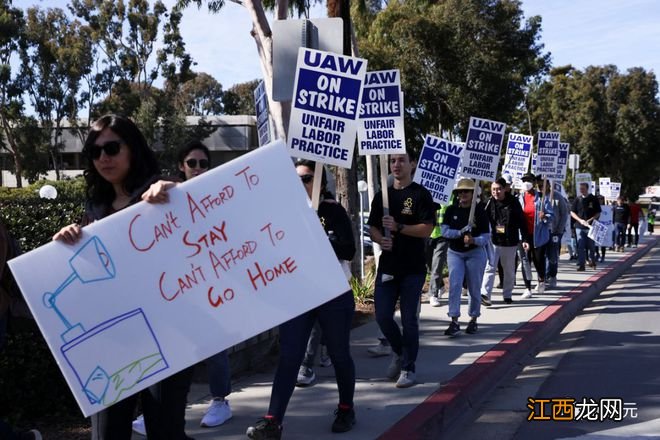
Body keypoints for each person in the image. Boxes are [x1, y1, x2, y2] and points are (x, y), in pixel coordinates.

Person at [52, 114, 194, 440]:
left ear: (133, 149)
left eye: (112, 148)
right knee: (107, 434)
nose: (104, 157)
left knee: (165, 432)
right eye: (95, 151)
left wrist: (180, 191)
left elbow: (202, 228)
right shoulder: (95, 206)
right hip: (111, 341)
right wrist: (67, 243)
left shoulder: (162, 193)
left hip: (168, 336)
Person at [246, 159, 357, 439]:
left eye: (307, 179)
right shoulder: (284, 212)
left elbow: (349, 250)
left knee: (339, 353)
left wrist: (322, 238)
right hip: (298, 294)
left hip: (332, 293)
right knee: (289, 356)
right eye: (296, 179)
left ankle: (346, 408)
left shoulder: (333, 211)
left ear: (318, 181)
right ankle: (273, 420)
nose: (302, 184)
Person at [132, 140, 233, 435]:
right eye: (192, 163)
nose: (198, 169)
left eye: (204, 163)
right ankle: (162, 411)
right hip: (175, 289)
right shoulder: (168, 194)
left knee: (215, 347)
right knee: (171, 350)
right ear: (181, 166)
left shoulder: (217, 193)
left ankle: (220, 401)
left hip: (212, 284)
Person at [367, 151, 434, 388]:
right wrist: (380, 239)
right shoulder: (382, 196)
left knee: (409, 320)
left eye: (401, 160)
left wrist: (399, 227)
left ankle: (408, 367)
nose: (396, 164)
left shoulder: (420, 194)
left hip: (413, 269)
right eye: (393, 160)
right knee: (383, 316)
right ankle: (399, 351)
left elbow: (426, 229)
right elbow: (372, 227)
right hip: (388, 267)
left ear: (412, 164)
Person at [442, 178, 489, 334]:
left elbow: (486, 236)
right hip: (455, 252)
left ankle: (474, 318)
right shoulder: (451, 210)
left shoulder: (480, 211)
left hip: (475, 253)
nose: (463, 194)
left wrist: (474, 240)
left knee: (474, 287)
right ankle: (454, 320)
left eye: (466, 191)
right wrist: (460, 232)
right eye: (460, 191)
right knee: (454, 285)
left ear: (473, 193)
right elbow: (445, 232)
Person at [480, 177, 527, 305]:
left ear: (505, 189)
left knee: (509, 270)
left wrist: (525, 238)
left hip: (510, 241)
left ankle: (507, 294)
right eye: (493, 190)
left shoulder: (513, 202)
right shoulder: (489, 203)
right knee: (489, 268)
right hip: (493, 241)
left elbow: (522, 221)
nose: (496, 192)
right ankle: (485, 295)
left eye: (499, 189)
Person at [519, 173, 553, 298]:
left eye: (528, 180)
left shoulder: (541, 198)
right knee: (525, 260)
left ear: (533, 182)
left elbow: (551, 216)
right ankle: (527, 288)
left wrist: (545, 216)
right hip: (523, 235)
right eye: (524, 180)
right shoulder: (519, 198)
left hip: (538, 236)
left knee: (538, 260)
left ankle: (541, 279)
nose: (526, 182)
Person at [543, 179, 570, 289]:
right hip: (542, 232)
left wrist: (559, 230)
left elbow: (564, 214)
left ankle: (552, 275)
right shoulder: (539, 196)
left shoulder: (557, 197)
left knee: (552, 256)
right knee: (542, 256)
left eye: (545, 185)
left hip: (555, 232)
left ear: (550, 185)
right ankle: (544, 277)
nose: (542, 187)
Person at [571, 182, 601, 271]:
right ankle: (582, 265)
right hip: (579, 226)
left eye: (583, 188)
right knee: (580, 246)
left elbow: (598, 213)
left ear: (587, 189)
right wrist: (580, 220)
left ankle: (593, 261)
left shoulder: (593, 199)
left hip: (591, 227)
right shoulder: (577, 199)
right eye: (580, 189)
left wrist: (590, 220)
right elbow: (572, 212)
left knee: (591, 246)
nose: (581, 190)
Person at [425, 200, 451, 307]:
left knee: (437, 264)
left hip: (443, 235)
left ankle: (433, 294)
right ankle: (440, 285)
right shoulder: (425, 194)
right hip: (427, 234)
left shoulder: (451, 195)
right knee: (429, 265)